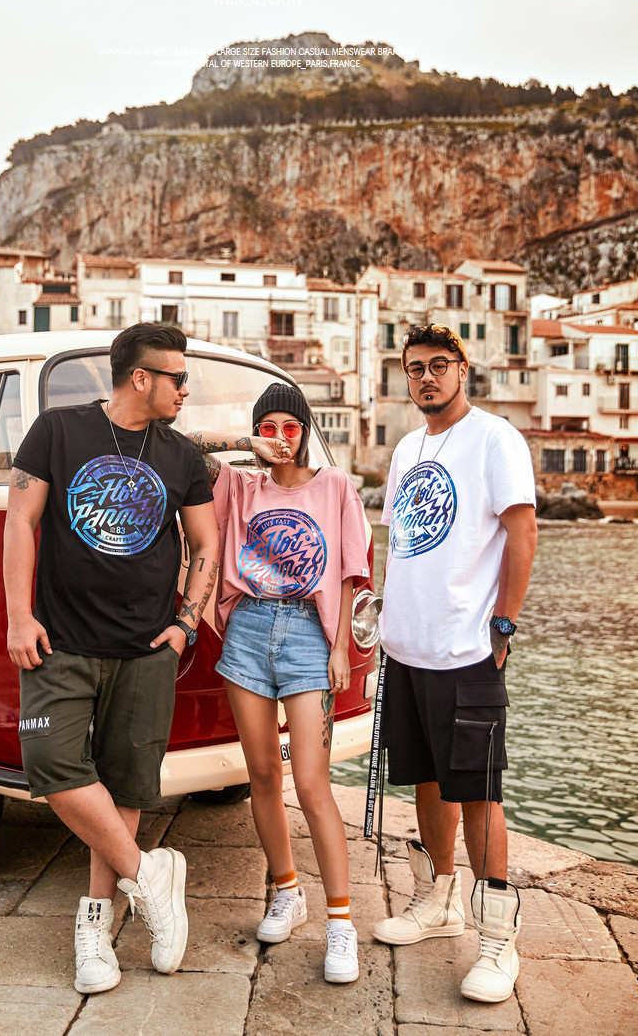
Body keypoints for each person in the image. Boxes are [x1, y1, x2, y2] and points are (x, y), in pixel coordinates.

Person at [3, 323, 219, 995]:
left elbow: (205, 543)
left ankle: (96, 928)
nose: (186, 389)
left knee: (125, 786)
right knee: (48, 762)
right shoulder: (57, 431)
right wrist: (18, 614)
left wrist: (186, 622)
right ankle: (151, 877)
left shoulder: (182, 454)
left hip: (147, 647)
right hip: (61, 641)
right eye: (178, 378)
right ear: (141, 378)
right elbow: (19, 521)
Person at [369, 323, 537, 1004]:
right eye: (415, 368)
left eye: (440, 365)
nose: (427, 377)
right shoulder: (408, 448)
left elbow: (522, 531)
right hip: (407, 649)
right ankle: (439, 901)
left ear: (463, 369)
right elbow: (403, 545)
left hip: (467, 649)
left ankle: (499, 940)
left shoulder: (495, 438)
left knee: (478, 791)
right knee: (427, 779)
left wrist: (504, 624)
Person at [188, 381, 370, 985]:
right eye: (268, 427)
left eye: (290, 426)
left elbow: (350, 572)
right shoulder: (240, 486)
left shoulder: (335, 486)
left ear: (307, 430)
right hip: (247, 630)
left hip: (309, 637)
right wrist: (248, 446)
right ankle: (287, 892)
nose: (281, 437)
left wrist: (340, 648)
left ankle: (340, 922)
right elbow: (182, 445)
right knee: (262, 774)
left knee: (313, 784)